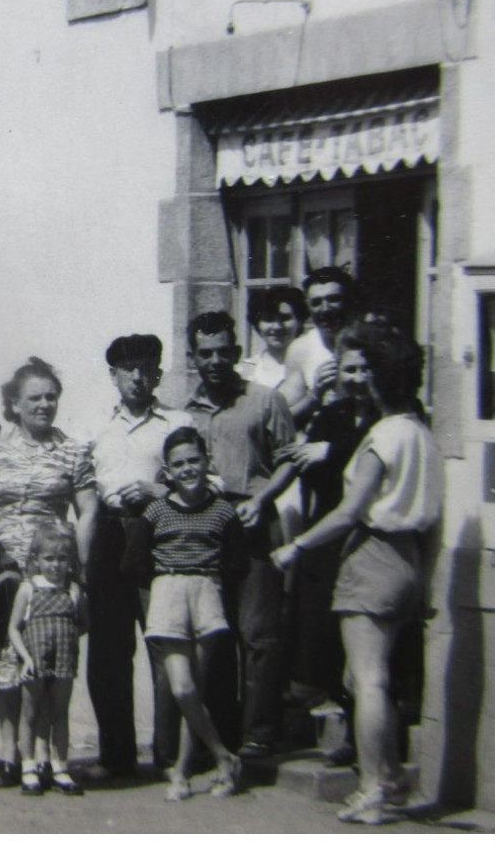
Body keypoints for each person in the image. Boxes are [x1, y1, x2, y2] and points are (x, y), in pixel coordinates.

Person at [272, 323, 442, 825]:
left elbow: (349, 513)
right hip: (408, 559)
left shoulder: (382, 437)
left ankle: (376, 788)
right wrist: (426, 580)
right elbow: (434, 524)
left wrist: (295, 548)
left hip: (373, 555)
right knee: (367, 677)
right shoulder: (422, 433)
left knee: (367, 680)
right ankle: (388, 779)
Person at [0, 357, 98, 788]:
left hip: (49, 575)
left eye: (51, 397)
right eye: (34, 398)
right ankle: (9, 754)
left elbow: (89, 509)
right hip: (2, 571)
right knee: (6, 662)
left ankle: (45, 755)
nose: (44, 405)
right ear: (14, 404)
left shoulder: (73, 451)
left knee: (45, 666)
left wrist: (79, 567)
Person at [184, 310, 295, 759]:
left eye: (223, 352)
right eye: (204, 353)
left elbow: (289, 459)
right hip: (205, 529)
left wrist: (263, 499)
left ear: (236, 352)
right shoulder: (182, 411)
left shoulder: (267, 401)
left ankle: (258, 735)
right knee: (214, 632)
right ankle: (221, 736)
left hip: (252, 522)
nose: (214, 361)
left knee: (258, 634)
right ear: (193, 357)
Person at [86, 333, 192, 777]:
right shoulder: (95, 427)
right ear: (113, 375)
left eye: (146, 367)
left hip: (159, 534)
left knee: (164, 642)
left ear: (158, 373)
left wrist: (161, 490)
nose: (137, 376)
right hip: (109, 536)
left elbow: (210, 480)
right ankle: (117, 755)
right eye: (128, 368)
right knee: (108, 651)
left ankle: (168, 754)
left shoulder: (177, 423)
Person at [124, 427, 247, 802]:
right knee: (182, 688)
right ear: (167, 471)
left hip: (207, 593)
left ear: (206, 462)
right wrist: (165, 585)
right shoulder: (156, 510)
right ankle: (225, 756)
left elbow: (237, 562)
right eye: (179, 464)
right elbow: (134, 563)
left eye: (194, 460)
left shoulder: (223, 510)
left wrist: (208, 583)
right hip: (168, 593)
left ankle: (181, 771)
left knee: (199, 688)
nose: (188, 469)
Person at [6, 521, 87, 797]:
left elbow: (83, 624)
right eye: (49, 558)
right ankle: (29, 766)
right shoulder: (28, 589)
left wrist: (65, 641)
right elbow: (13, 628)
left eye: (62, 559)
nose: (55, 565)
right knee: (29, 714)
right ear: (37, 560)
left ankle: (60, 767)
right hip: (34, 661)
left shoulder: (73, 591)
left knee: (59, 713)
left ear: (70, 561)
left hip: (64, 660)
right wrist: (26, 657)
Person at [279, 267, 358, 427]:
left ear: (349, 301)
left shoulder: (370, 340)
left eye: (333, 299)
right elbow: (283, 418)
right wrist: (315, 396)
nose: (325, 309)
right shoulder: (301, 348)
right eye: (316, 302)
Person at [239, 286, 309, 390]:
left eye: (285, 318)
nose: (277, 327)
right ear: (257, 324)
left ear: (299, 321)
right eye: (269, 319)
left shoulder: (311, 363)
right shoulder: (245, 370)